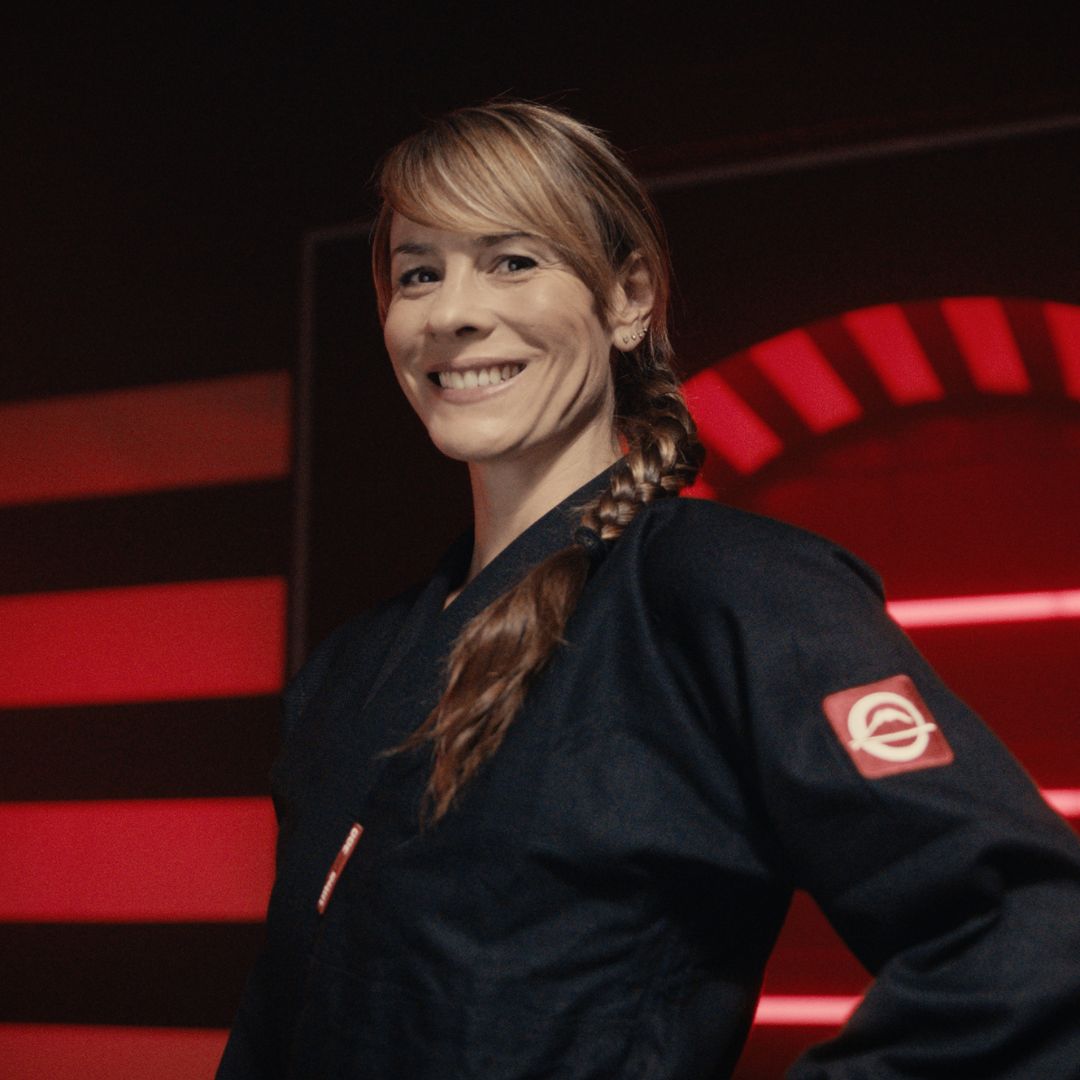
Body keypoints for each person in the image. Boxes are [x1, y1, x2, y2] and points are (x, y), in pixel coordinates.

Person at [217, 101, 1080, 1079]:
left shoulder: (730, 595)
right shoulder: (347, 672)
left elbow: (1035, 942)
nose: (452, 311)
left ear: (628, 298)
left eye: (512, 259)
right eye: (420, 272)